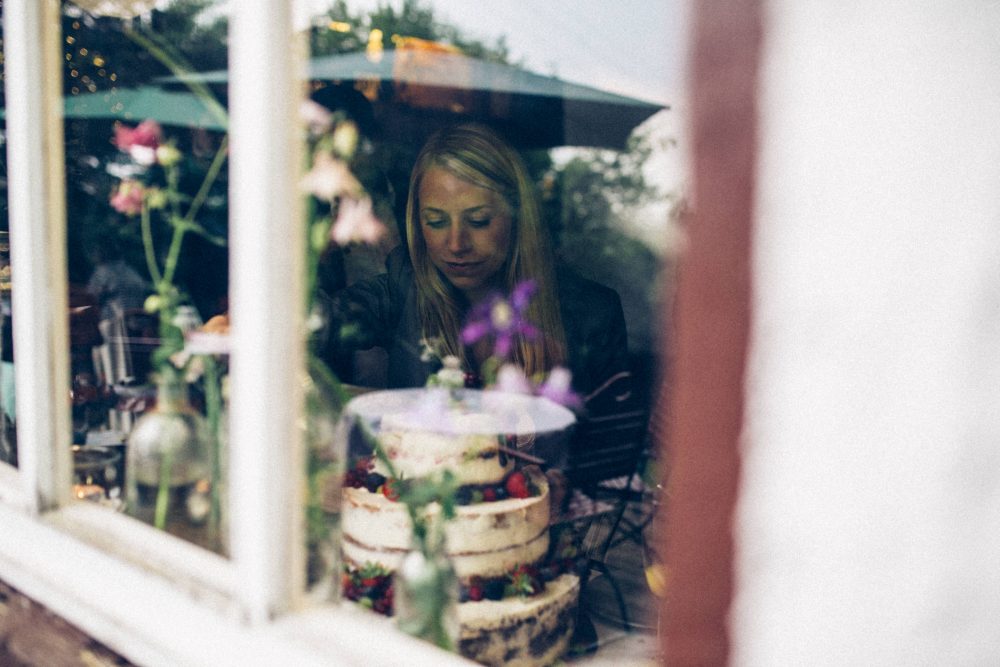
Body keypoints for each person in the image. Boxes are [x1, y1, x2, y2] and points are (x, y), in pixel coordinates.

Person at [321, 122, 629, 401]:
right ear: (417, 223)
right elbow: (311, 327)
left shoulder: (593, 314)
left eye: (479, 220)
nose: (456, 244)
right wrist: (321, 242)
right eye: (436, 221)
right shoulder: (403, 288)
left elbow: (613, 437)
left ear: (518, 218)